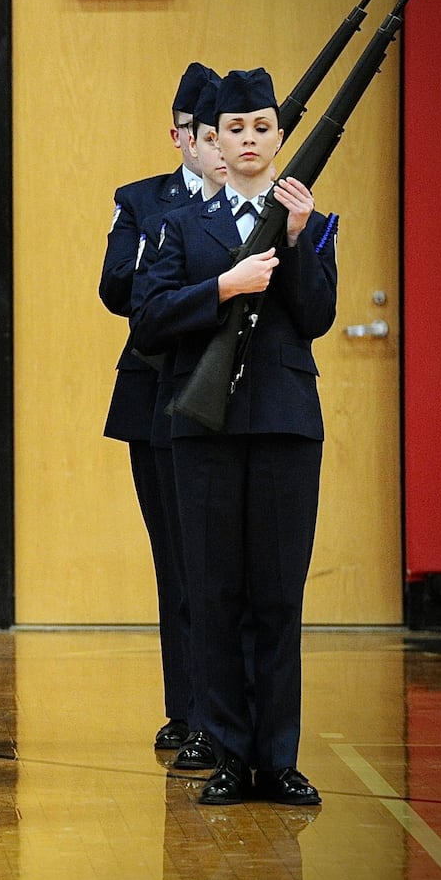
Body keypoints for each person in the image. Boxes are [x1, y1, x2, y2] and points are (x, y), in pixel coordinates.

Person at [132, 67, 337, 807]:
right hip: (204, 428)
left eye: (262, 128)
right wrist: (224, 286)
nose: (248, 141)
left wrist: (297, 239)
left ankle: (277, 759)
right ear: (212, 140)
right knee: (215, 593)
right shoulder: (184, 226)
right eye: (234, 130)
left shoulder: (310, 220)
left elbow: (316, 316)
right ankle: (225, 753)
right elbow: (148, 318)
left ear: (279, 137)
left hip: (284, 423)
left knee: (277, 596)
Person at [99, 62, 216, 755]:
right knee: (174, 558)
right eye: (198, 130)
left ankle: (228, 713)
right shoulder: (142, 201)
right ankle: (188, 710)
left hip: (231, 389)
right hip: (155, 392)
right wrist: (176, 241)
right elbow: (117, 287)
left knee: (220, 562)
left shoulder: (253, 201)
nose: (211, 142)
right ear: (179, 136)